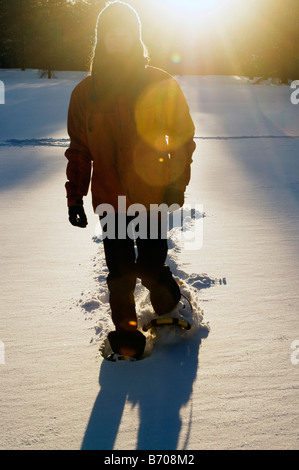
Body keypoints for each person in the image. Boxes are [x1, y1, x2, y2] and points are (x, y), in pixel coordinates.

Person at [65, 1, 196, 359]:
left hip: (152, 193)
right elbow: (79, 150)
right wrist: (74, 198)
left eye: (124, 32)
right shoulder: (85, 93)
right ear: (101, 39)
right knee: (120, 272)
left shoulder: (159, 82)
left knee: (151, 265)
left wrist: (175, 184)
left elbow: (182, 138)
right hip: (110, 198)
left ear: (135, 37)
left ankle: (171, 311)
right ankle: (126, 333)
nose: (117, 39)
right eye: (110, 33)